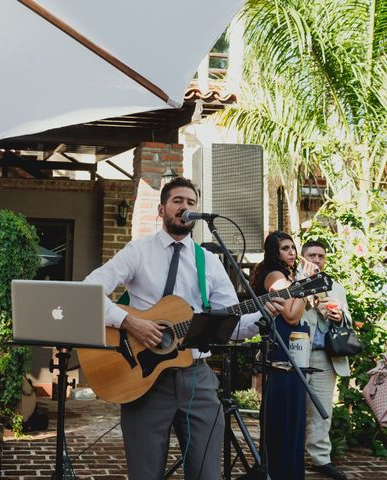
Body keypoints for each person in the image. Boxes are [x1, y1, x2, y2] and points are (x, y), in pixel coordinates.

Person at [84, 177, 285, 480]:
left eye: (191, 203)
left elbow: (231, 325)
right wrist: (130, 322)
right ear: (161, 208)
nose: (185, 207)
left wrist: (262, 316)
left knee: (207, 474)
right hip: (144, 378)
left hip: (197, 378)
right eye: (178, 201)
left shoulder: (209, 262)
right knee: (145, 473)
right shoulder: (138, 251)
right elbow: (89, 291)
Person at [249, 230, 308, 480]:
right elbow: (291, 315)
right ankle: (279, 471)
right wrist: (304, 286)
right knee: (283, 412)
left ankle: (289, 471)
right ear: (274, 251)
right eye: (285, 248)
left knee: (295, 412)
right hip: (281, 348)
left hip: (295, 349)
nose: (292, 252)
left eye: (293, 247)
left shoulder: (289, 276)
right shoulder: (275, 276)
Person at [300, 240, 350, 480]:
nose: (317, 259)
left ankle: (321, 459)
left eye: (321, 255)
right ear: (303, 257)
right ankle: (288, 454)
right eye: (312, 255)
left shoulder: (336, 286)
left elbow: (347, 318)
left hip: (325, 355)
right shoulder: (294, 282)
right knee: (294, 406)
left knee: (321, 410)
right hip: (296, 352)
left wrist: (340, 316)